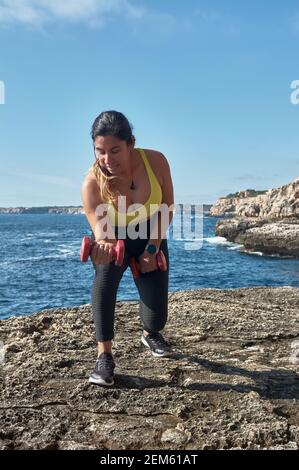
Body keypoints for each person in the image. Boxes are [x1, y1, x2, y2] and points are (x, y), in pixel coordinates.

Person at [81, 110, 174, 386]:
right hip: (116, 237)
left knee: (157, 318)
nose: (107, 160)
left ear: (131, 143)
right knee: (104, 280)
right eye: (100, 152)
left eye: (115, 150)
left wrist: (151, 250)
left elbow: (166, 206)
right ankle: (104, 357)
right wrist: (104, 246)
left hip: (150, 235)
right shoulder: (91, 182)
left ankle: (149, 333)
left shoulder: (156, 161)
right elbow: (101, 229)